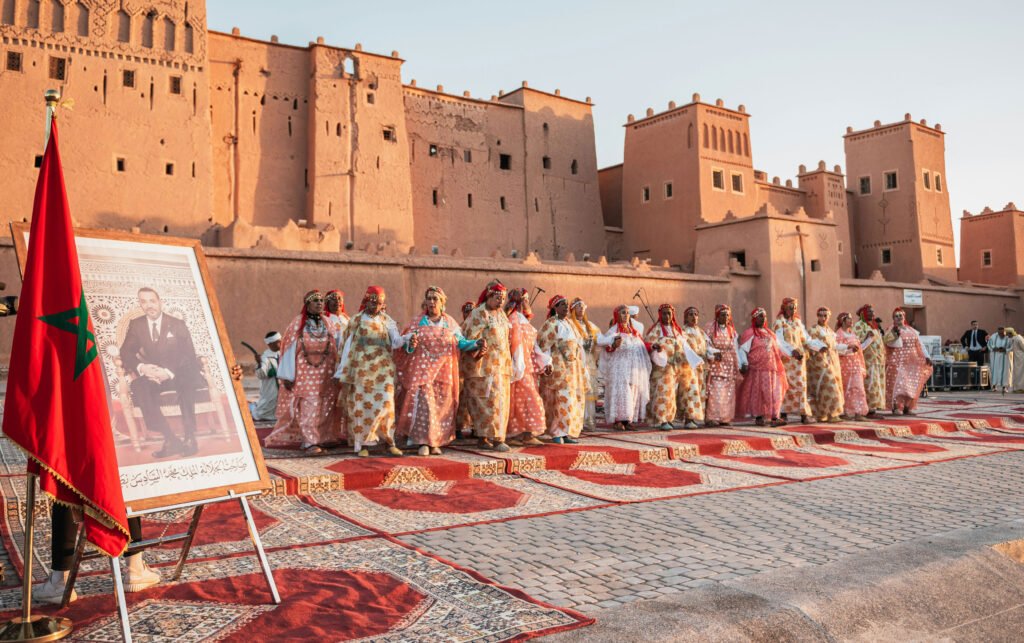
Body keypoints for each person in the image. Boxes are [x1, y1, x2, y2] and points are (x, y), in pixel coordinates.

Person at [394, 286, 482, 456]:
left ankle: (436, 441)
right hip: (422, 372)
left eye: (436, 299)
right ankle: (423, 442)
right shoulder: (417, 322)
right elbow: (407, 346)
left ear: (442, 303)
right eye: (429, 298)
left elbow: (461, 342)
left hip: (445, 373)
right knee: (425, 406)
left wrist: (476, 344)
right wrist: (410, 346)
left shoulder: (450, 323)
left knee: (442, 407)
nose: (432, 302)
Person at [120, 287, 203, 458]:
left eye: (152, 300)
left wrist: (168, 372)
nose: (149, 305)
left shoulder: (177, 324)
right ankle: (170, 438)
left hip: (180, 372)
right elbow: (126, 352)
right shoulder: (137, 325)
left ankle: (190, 437)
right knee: (138, 385)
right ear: (140, 305)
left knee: (186, 383)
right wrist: (144, 369)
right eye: (143, 302)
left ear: (160, 302)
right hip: (154, 374)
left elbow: (188, 355)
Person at [335, 286, 410, 457]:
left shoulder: (387, 321)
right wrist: (343, 371)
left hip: (383, 370)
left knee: (386, 405)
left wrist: (407, 338)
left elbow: (396, 342)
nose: (375, 306)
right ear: (366, 301)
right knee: (362, 407)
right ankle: (364, 444)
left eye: (379, 303)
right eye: (373, 302)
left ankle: (389, 441)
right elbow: (347, 346)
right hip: (361, 370)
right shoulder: (356, 321)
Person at [266, 290, 341, 453]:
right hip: (305, 371)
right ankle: (310, 442)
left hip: (326, 370)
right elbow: (289, 349)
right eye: (316, 301)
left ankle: (324, 437)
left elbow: (337, 346)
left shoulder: (328, 322)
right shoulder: (297, 323)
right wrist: (287, 375)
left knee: (326, 405)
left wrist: (339, 370)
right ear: (307, 305)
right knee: (309, 405)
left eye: (321, 301)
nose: (320, 304)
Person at [461, 282, 515, 451]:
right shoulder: (479, 314)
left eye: (503, 299)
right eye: (497, 298)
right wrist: (478, 346)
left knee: (500, 403)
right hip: (483, 368)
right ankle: (484, 437)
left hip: (501, 367)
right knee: (486, 403)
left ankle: (499, 437)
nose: (501, 302)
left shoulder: (501, 315)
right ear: (489, 297)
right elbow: (469, 336)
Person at [538, 295, 587, 443]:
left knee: (569, 400)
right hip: (558, 367)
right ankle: (556, 433)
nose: (566, 307)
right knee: (558, 400)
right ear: (555, 308)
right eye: (562, 305)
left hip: (572, 369)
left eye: (567, 305)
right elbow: (543, 345)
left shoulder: (569, 323)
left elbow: (578, 345)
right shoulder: (551, 324)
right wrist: (547, 363)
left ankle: (566, 432)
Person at [646, 304, 703, 430]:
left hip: (682, 364)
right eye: (664, 313)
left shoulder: (677, 330)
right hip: (665, 367)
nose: (667, 316)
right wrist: (655, 347)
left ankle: (689, 418)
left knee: (690, 387)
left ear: (673, 315)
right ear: (660, 315)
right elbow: (648, 343)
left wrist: (694, 359)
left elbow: (686, 345)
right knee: (666, 391)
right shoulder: (656, 330)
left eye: (669, 313)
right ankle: (665, 420)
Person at [505, 288, 549, 446]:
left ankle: (525, 432)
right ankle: (518, 433)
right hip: (517, 365)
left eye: (527, 300)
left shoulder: (523, 320)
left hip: (528, 366)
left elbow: (534, 345)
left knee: (526, 399)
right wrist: (517, 365)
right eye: (524, 300)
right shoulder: (512, 319)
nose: (527, 303)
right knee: (520, 400)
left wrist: (544, 362)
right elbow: (514, 343)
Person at [598, 305, 652, 430]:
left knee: (632, 391)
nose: (626, 315)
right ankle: (618, 420)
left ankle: (628, 419)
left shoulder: (634, 332)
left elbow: (643, 346)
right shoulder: (613, 331)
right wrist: (614, 345)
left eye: (627, 313)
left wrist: (653, 347)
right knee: (621, 393)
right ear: (617, 315)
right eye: (623, 313)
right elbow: (607, 347)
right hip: (619, 367)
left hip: (633, 368)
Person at [738, 308, 788, 426]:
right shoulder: (749, 333)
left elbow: (779, 347)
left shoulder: (770, 333)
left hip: (772, 368)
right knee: (760, 394)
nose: (763, 318)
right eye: (760, 316)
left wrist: (792, 353)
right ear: (754, 318)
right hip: (757, 370)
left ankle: (775, 417)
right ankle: (759, 417)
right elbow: (742, 350)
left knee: (775, 393)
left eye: (764, 316)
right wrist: (743, 363)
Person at [772, 297, 815, 424]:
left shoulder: (797, 323)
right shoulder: (779, 323)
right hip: (787, 360)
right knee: (786, 385)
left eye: (795, 307)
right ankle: (783, 413)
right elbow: (779, 341)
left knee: (801, 386)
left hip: (799, 361)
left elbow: (806, 339)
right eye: (790, 307)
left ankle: (804, 414)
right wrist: (792, 351)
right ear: (784, 307)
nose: (793, 310)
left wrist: (819, 346)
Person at [883, 307, 933, 415]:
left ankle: (907, 406)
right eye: (896, 316)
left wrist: (927, 356)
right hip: (898, 362)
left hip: (912, 363)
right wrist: (895, 335)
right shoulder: (891, 329)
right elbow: (888, 343)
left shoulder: (911, 330)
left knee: (911, 385)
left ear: (904, 317)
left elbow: (920, 344)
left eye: (900, 315)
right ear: (893, 318)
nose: (898, 317)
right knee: (899, 385)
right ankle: (897, 407)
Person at [704, 304, 744, 427]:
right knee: (715, 390)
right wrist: (714, 353)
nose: (725, 317)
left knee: (728, 391)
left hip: (729, 363)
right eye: (722, 315)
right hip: (716, 363)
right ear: (717, 315)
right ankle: (712, 418)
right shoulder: (709, 327)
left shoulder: (731, 330)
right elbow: (706, 344)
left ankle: (725, 418)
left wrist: (740, 363)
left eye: (727, 315)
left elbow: (735, 347)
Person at [806, 307, 845, 423]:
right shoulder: (813, 330)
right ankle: (832, 413)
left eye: (825, 316)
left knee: (828, 388)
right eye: (821, 315)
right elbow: (809, 344)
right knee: (830, 386)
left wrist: (848, 347)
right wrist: (819, 348)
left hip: (832, 362)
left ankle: (825, 414)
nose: (823, 318)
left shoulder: (830, 331)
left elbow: (834, 346)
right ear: (817, 316)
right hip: (819, 363)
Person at [569, 298, 602, 431]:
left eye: (583, 307)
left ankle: (589, 421)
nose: (581, 309)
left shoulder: (591, 326)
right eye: (578, 307)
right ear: (573, 309)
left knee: (589, 392)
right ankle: (578, 421)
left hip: (590, 362)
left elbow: (601, 339)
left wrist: (612, 339)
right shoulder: (570, 324)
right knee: (578, 391)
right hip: (577, 361)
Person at [680, 307, 712, 427]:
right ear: (686, 317)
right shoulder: (682, 331)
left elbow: (707, 347)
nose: (694, 317)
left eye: (696, 314)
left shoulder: (701, 332)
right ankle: (688, 419)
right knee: (690, 391)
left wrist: (713, 353)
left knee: (699, 391)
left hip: (700, 367)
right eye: (690, 314)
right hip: (688, 367)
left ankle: (694, 418)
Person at [854, 304, 886, 418]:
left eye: (873, 312)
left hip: (878, 361)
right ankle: (868, 410)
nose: (872, 314)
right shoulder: (859, 325)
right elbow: (856, 340)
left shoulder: (874, 326)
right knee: (870, 385)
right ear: (863, 313)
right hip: (868, 361)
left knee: (876, 386)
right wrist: (867, 335)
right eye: (869, 312)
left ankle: (873, 408)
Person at [835, 312, 868, 420]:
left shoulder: (853, 334)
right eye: (848, 319)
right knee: (846, 389)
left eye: (851, 319)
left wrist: (862, 365)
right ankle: (845, 412)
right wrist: (849, 349)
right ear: (843, 321)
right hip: (844, 365)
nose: (851, 321)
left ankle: (859, 413)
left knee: (858, 388)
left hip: (855, 365)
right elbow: (836, 351)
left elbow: (859, 352)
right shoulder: (838, 334)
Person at [249, 331, 281, 422]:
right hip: (271, 388)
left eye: (280, 341)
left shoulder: (284, 353)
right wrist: (259, 362)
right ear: (270, 344)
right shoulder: (265, 357)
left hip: (285, 387)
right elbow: (261, 374)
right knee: (263, 413)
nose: (281, 343)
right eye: (278, 342)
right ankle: (254, 408)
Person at [988, 327, 1013, 393]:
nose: (1001, 334)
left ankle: (1004, 387)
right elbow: (989, 344)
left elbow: (1012, 347)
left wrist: (1005, 350)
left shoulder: (1008, 337)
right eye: (999, 333)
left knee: (1005, 372)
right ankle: (994, 386)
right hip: (995, 357)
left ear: (1004, 331)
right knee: (995, 371)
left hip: (1005, 357)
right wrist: (993, 348)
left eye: (1002, 333)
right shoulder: (994, 336)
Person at [1009, 328, 1024, 393]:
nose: (1007, 336)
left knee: (1020, 373)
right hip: (1018, 358)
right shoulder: (1014, 338)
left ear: (1010, 333)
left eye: (1007, 334)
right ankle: (1018, 388)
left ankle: (1020, 388)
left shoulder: (1018, 338)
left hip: (1020, 358)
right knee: (1017, 373)